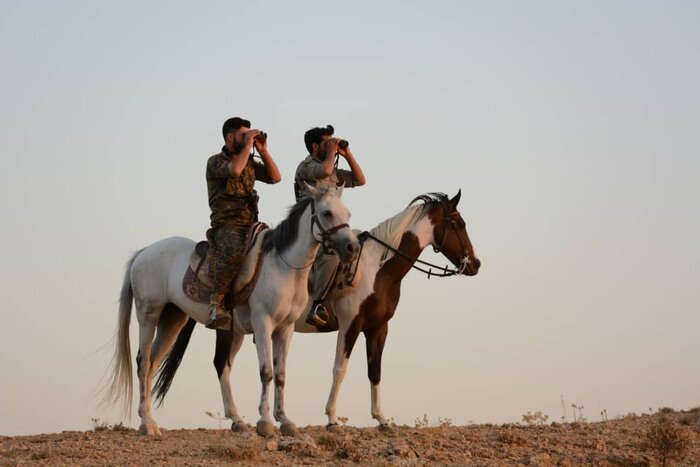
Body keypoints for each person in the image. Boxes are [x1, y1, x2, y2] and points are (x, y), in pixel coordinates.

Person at [205, 117, 281, 329]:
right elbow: (235, 171)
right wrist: (249, 145)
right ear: (230, 137)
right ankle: (215, 303)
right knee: (234, 252)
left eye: (249, 134)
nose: (247, 137)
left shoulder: (249, 161)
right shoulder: (215, 161)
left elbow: (275, 177)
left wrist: (263, 150)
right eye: (243, 134)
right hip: (227, 225)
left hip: (251, 224)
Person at [294, 125, 366, 326]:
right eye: (327, 142)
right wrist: (333, 151)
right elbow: (325, 170)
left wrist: (347, 153)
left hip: (331, 227)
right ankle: (317, 305)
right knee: (332, 255)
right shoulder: (306, 167)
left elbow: (360, 180)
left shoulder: (332, 170)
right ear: (315, 146)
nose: (332, 145)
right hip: (310, 231)